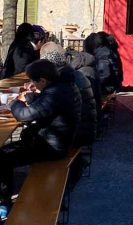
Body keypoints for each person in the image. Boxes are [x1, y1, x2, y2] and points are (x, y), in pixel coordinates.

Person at [0, 60, 81, 203]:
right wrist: (32, 97)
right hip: (57, 140)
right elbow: (46, 105)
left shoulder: (55, 93)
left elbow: (23, 115)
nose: (32, 84)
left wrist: (15, 103)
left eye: (33, 81)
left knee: (3, 157)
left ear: (43, 80)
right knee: (7, 151)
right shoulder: (62, 86)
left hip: (52, 147)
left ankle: (3, 200)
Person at [40, 43, 97, 147]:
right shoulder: (72, 73)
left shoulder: (65, 78)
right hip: (85, 127)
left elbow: (48, 106)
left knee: (32, 133)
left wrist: (31, 98)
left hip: (77, 134)